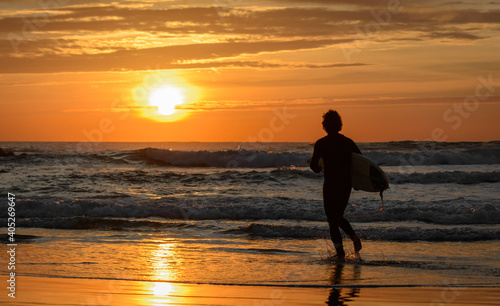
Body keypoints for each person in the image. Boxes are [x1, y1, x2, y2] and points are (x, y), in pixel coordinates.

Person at [310, 110, 362, 260]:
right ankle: (351, 240)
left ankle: (341, 251)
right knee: (337, 216)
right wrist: (358, 183)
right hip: (345, 185)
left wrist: (319, 167)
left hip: (330, 184)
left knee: (332, 219)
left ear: (325, 126)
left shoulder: (321, 144)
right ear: (339, 125)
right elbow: (361, 164)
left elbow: (314, 167)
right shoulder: (348, 142)